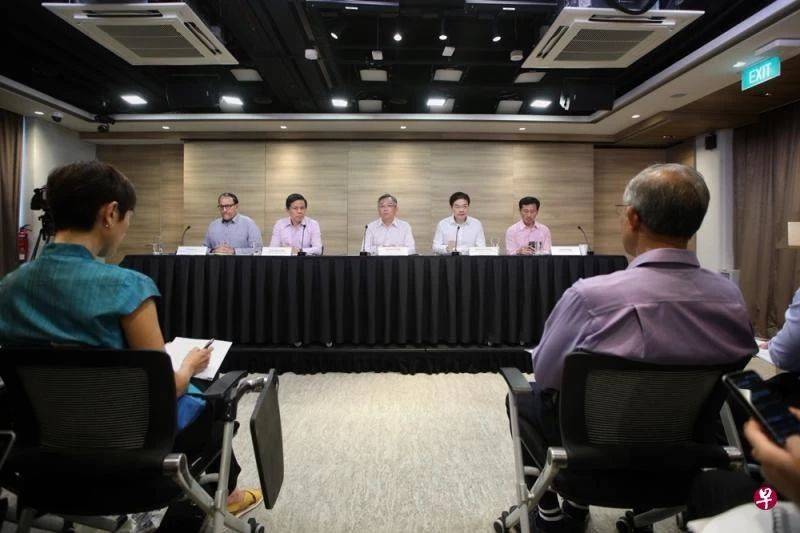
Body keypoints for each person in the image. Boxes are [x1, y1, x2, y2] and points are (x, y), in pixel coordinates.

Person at [0, 161, 262, 518]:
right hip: (130, 444)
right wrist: (189, 365)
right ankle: (224, 499)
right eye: (128, 218)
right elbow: (164, 389)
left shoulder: (9, 287)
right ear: (110, 214)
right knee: (211, 405)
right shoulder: (127, 287)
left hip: (44, 447)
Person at [510, 163, 757, 532]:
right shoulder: (731, 298)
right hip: (684, 457)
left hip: (589, 461)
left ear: (633, 218)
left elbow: (546, 375)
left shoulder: (590, 297)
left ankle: (551, 513)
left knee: (521, 397)